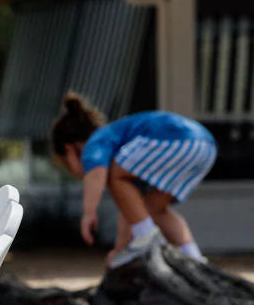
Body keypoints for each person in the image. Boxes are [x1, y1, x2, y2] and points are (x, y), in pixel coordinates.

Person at [50, 92, 217, 268]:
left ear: (69, 150)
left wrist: (88, 212)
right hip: (205, 145)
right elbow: (129, 211)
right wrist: (120, 250)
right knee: (152, 208)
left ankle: (146, 237)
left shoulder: (96, 141)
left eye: (66, 164)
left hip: (177, 141)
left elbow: (97, 174)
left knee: (114, 174)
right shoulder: (124, 153)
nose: (72, 171)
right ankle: (194, 258)